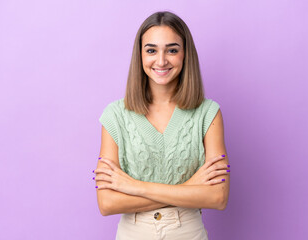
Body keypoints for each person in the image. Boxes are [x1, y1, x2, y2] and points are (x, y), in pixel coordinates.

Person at [93, 11, 230, 240]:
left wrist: (135, 187)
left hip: (188, 233)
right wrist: (190, 187)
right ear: (140, 55)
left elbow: (218, 197)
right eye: (151, 50)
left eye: (172, 50)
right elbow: (107, 203)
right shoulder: (115, 116)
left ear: (185, 55)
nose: (161, 60)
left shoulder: (208, 113)